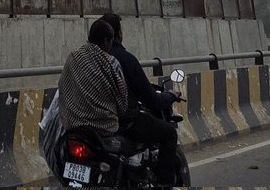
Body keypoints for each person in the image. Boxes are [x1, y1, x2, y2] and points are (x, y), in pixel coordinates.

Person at [99, 12, 181, 186]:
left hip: (93, 122)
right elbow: (151, 99)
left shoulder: (88, 59)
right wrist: (171, 96)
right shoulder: (124, 59)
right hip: (124, 122)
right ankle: (164, 184)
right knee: (169, 133)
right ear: (118, 33)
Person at [57, 18, 128, 137]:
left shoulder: (73, 57)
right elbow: (122, 102)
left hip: (73, 126)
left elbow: (63, 87)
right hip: (104, 128)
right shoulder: (111, 63)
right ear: (106, 41)